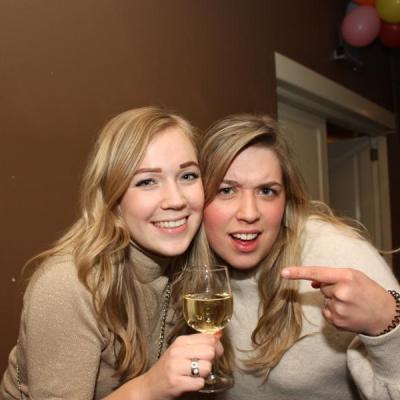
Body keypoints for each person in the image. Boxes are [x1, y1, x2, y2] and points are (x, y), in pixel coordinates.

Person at [0, 106, 223, 399]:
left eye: (188, 175)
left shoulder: (187, 269)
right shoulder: (69, 284)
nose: (176, 199)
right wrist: (150, 387)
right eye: (147, 181)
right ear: (112, 198)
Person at [197, 113, 400, 400]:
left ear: (287, 200)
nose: (249, 213)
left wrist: (386, 324)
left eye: (267, 191)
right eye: (226, 190)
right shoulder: (185, 263)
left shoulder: (336, 254)